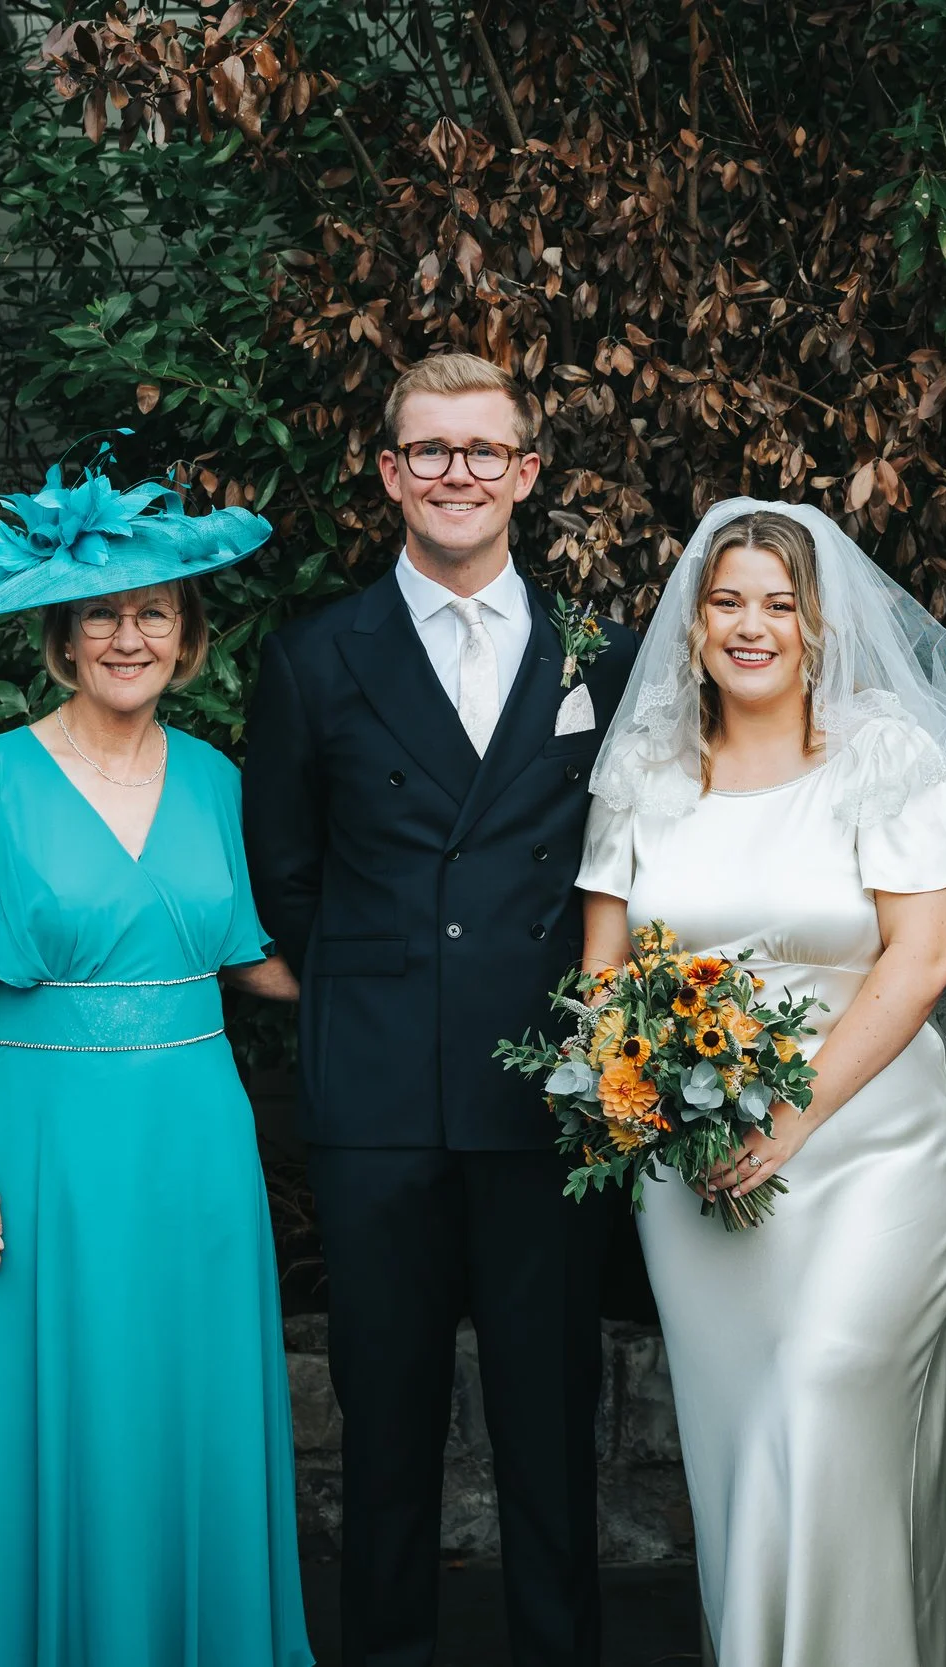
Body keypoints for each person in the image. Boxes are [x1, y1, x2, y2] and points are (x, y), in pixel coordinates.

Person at [577, 500, 946, 1667]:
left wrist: (793, 1114)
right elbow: (602, 974)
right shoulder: (642, 768)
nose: (753, 627)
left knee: (822, 1388)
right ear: (693, 624)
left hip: (870, 1150)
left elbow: (925, 955)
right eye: (728, 602)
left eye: (779, 605)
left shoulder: (887, 755)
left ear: (819, 625)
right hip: (697, 1175)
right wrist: (641, 1102)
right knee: (745, 1439)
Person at [243, 351, 638, 1667]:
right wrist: (383, 994)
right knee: (387, 1430)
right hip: (379, 1103)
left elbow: (625, 858)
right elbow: (286, 876)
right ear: (390, 473)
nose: (456, 472)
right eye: (431, 450)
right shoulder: (312, 656)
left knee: (550, 1427)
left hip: (547, 1096)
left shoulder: (604, 652)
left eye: (484, 449)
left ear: (526, 472)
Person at [0, 463, 309, 1666]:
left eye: (154, 615)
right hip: (39, 1144)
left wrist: (412, 979)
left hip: (193, 1140)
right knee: (53, 1410)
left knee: (186, 1408)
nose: (128, 635)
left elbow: (257, 963)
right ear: (61, 639)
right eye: (102, 615)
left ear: (187, 639)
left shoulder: (220, 781)